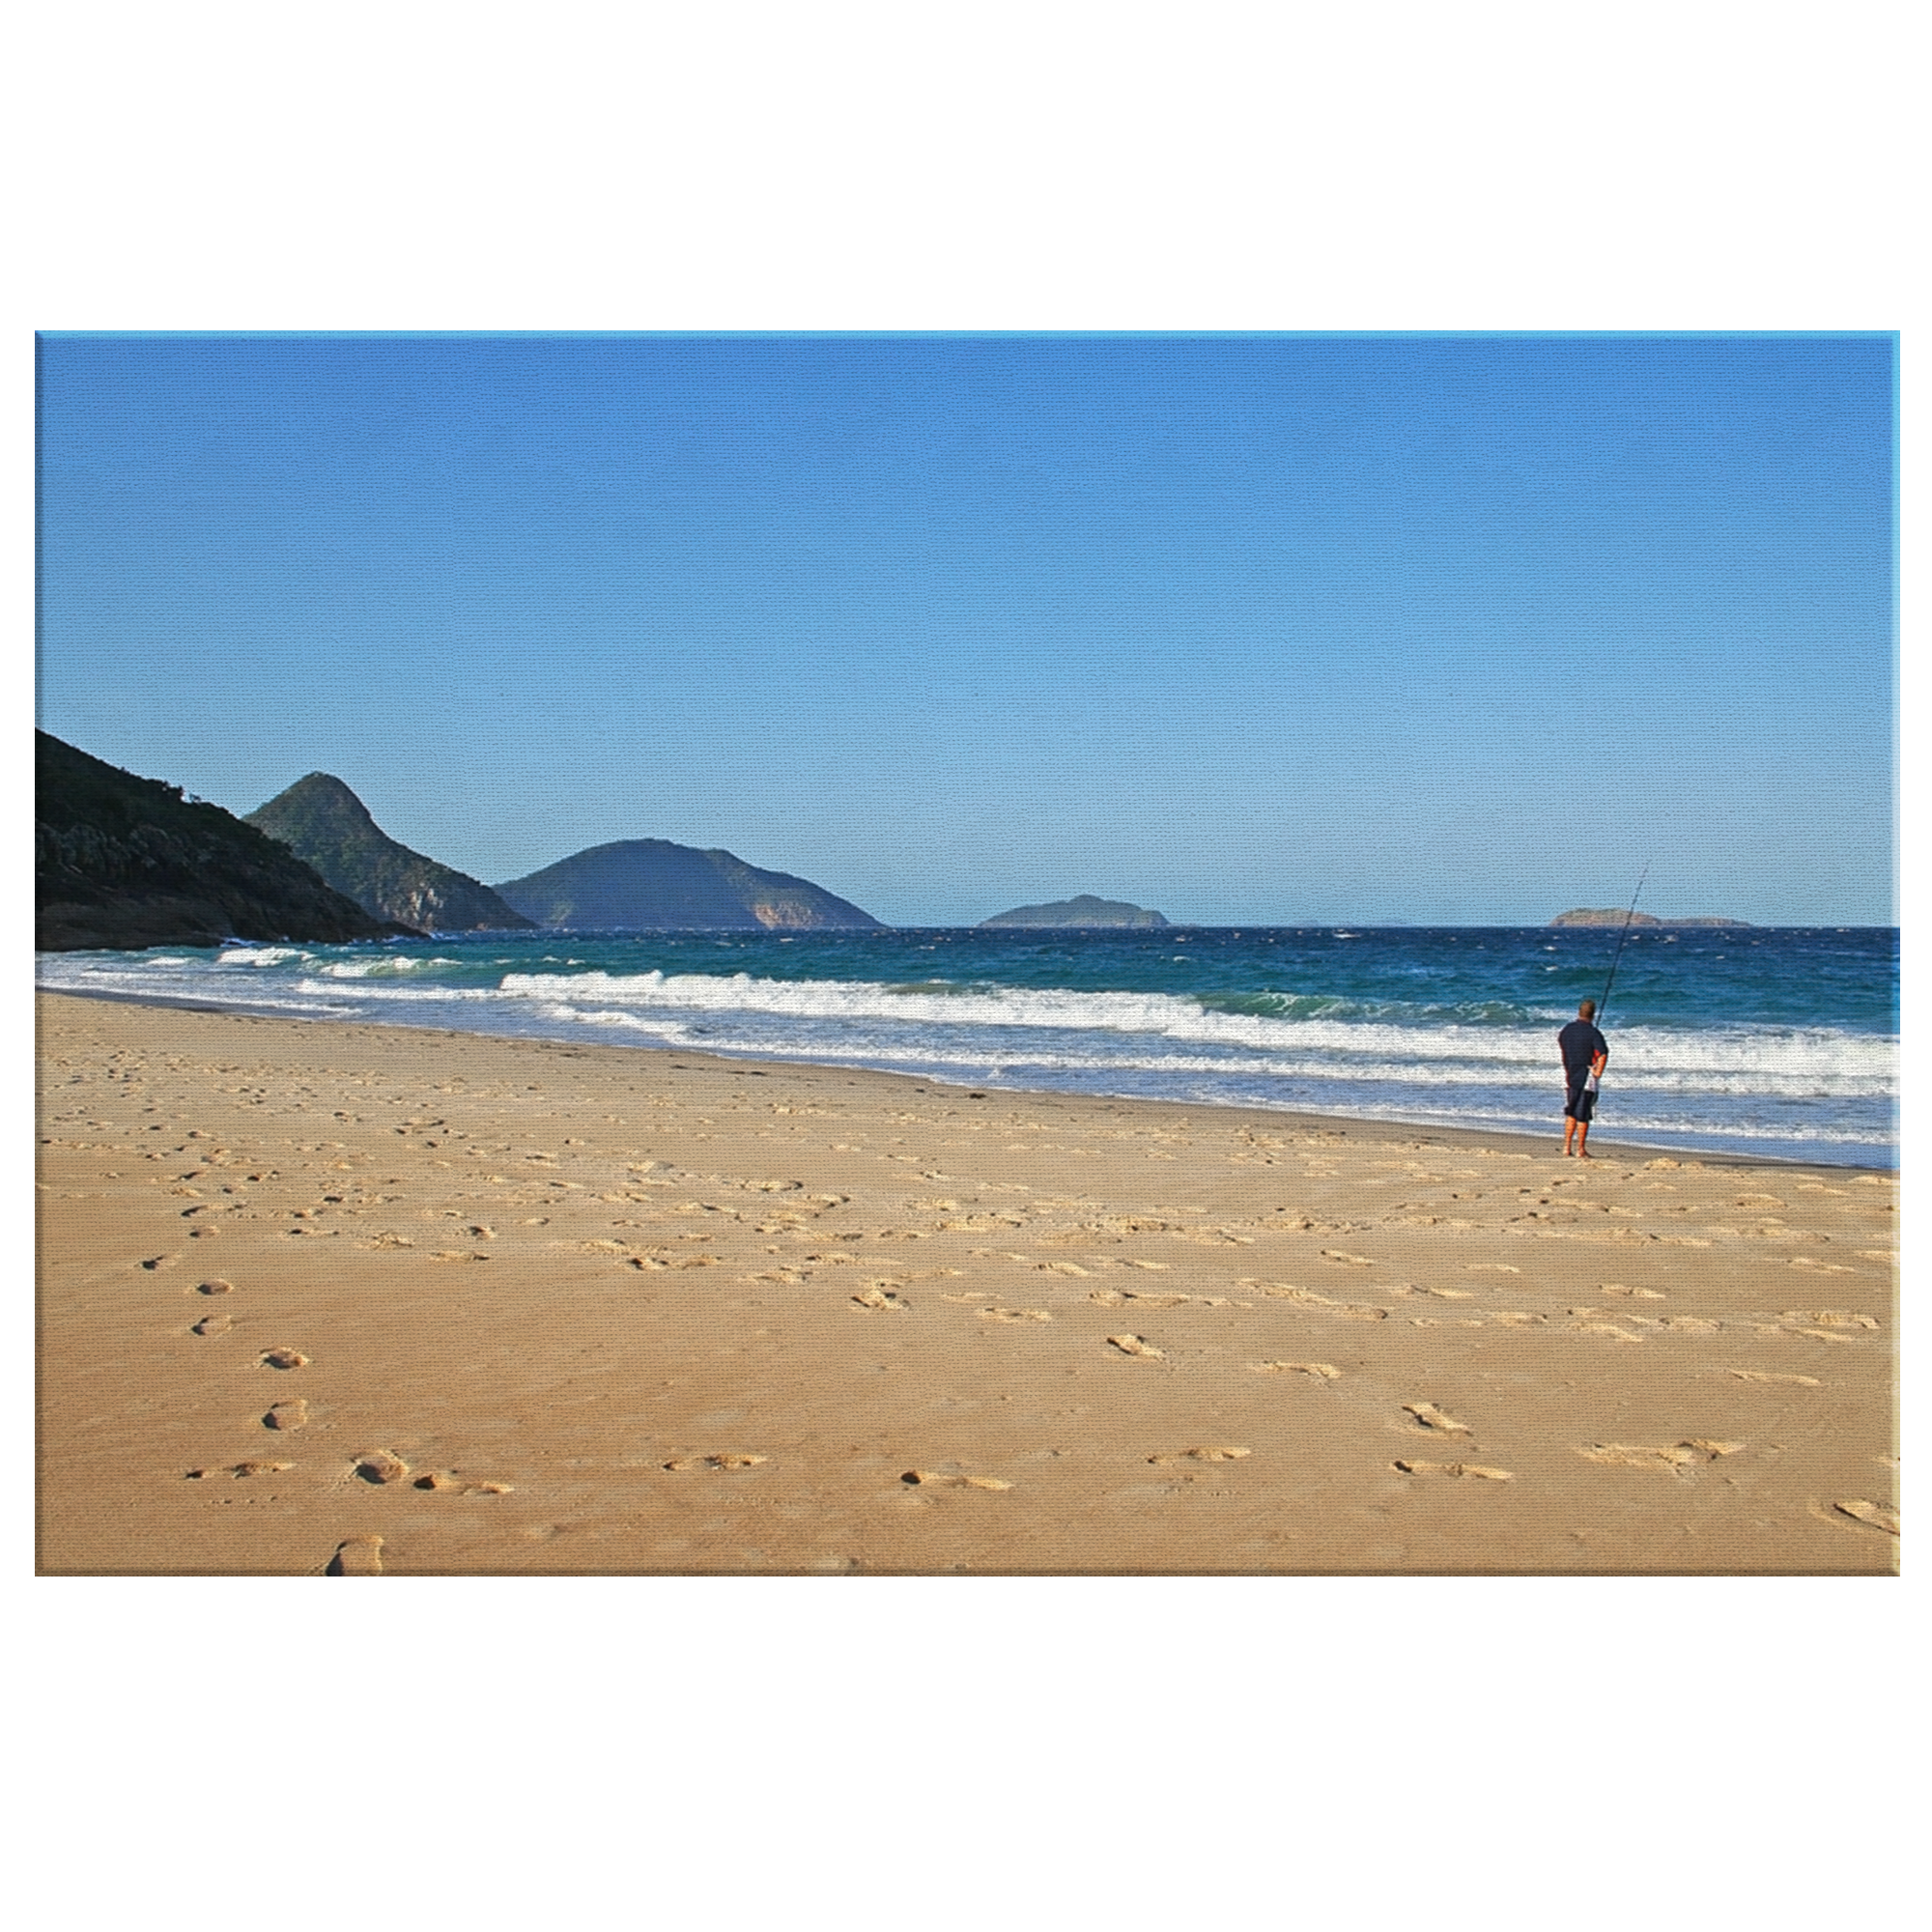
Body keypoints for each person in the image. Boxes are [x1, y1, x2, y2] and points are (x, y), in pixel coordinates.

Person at [1558, 998, 1609, 1157]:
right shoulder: (1593, 1032)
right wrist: (1598, 1072)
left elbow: (1562, 1044)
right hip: (1586, 1078)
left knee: (1571, 1112)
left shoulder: (1566, 1029)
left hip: (1569, 1074)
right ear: (1593, 1015)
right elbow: (1603, 1053)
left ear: (1579, 1012)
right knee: (1583, 1114)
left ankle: (1566, 1147)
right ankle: (1580, 1149)